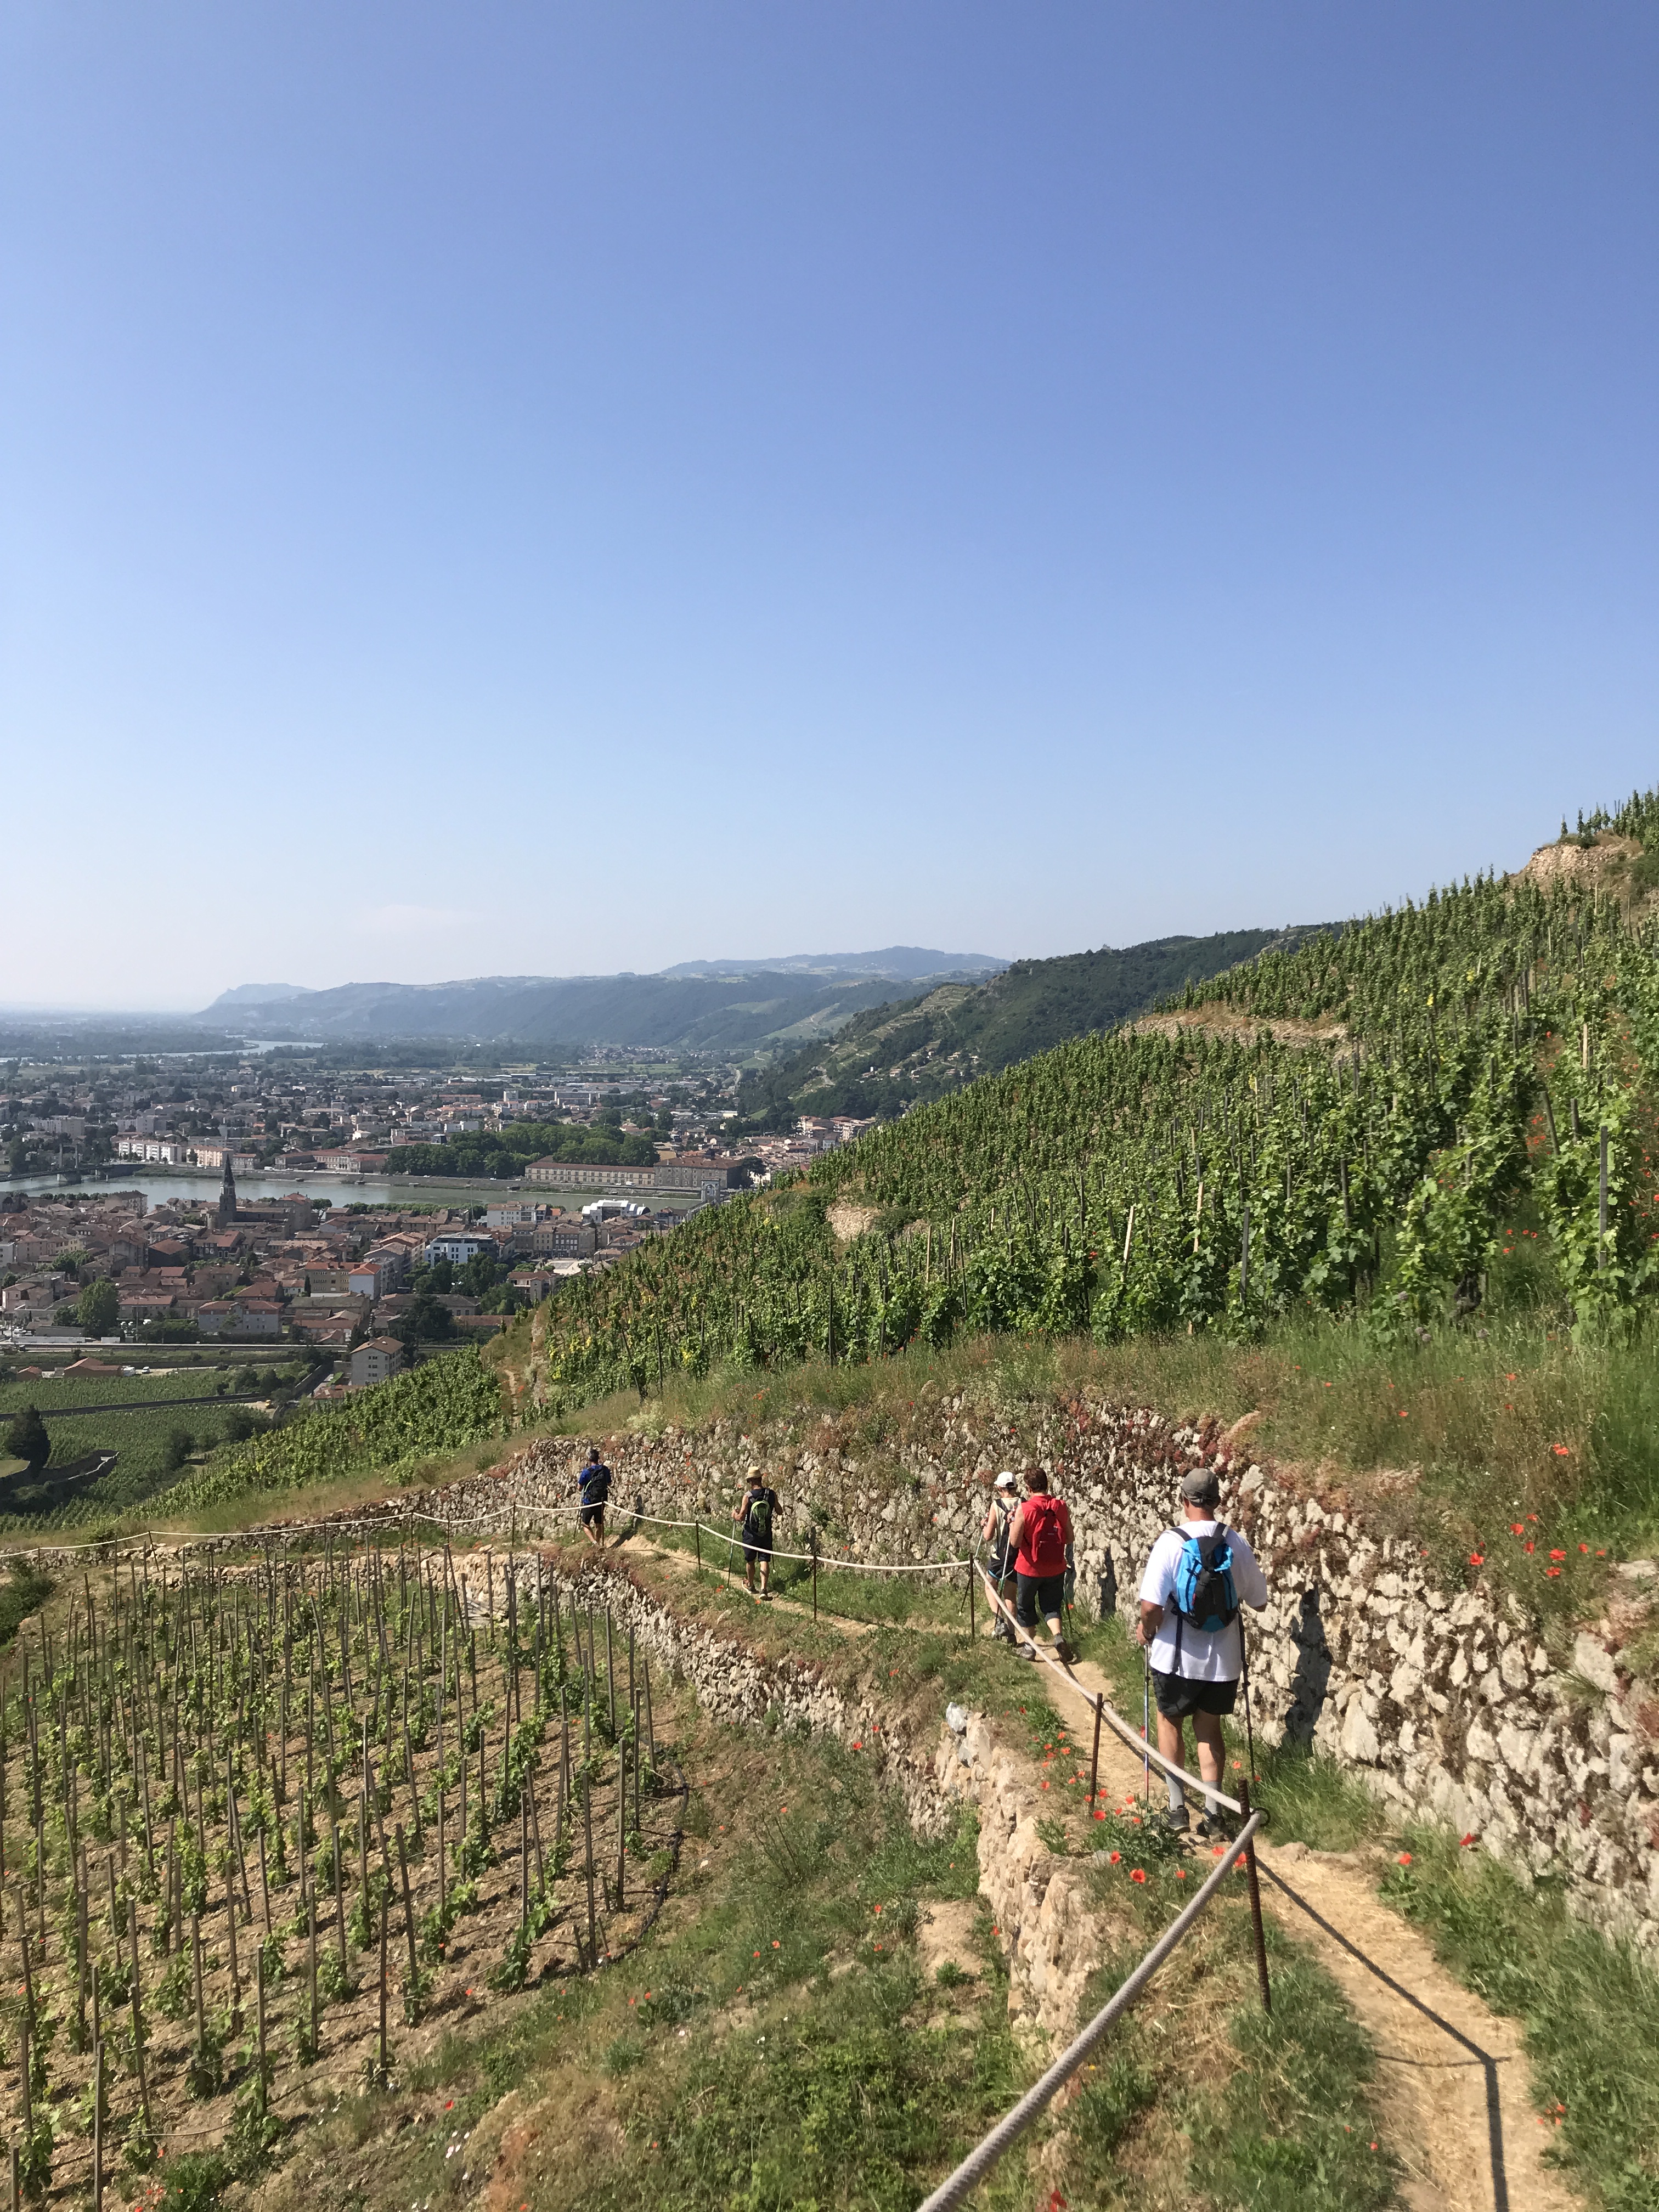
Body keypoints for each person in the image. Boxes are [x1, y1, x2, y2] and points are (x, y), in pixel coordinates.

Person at [1135, 1466, 1268, 1838]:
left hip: (1175, 1656)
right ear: (1218, 1502)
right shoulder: (1235, 1543)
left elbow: (1150, 1606)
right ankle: (1214, 1816)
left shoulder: (1171, 1542)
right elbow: (1259, 1601)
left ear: (1184, 1501)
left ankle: (1177, 1810)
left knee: (1170, 1723)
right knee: (1209, 1730)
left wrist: (1147, 1631)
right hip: (1223, 1661)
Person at [1005, 1469, 1075, 1663]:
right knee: (1052, 1607)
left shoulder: (1025, 1509)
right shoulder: (1059, 1506)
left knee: (1025, 1607)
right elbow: (1070, 1538)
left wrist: (1012, 1523)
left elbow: (1015, 1542)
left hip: (1029, 1569)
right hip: (1056, 1567)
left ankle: (1030, 1647)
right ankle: (1058, 1637)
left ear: (1029, 1488)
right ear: (1047, 1484)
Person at [981, 1470, 1020, 1641]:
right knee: (1011, 1594)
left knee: (990, 1586)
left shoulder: (997, 1505)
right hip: (1018, 1556)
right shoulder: (1023, 1503)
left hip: (1001, 1556)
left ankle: (1000, 1623)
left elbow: (988, 1536)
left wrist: (984, 1525)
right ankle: (1012, 1635)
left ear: (999, 1488)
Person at [732, 1469, 780, 1598]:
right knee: (764, 1560)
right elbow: (780, 1511)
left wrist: (734, 1515)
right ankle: (764, 1589)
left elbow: (741, 1517)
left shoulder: (748, 1497)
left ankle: (751, 1585)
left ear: (750, 1481)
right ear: (760, 1479)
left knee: (750, 1560)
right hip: (766, 1533)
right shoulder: (771, 1494)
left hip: (750, 1534)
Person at [577, 1444, 612, 1548]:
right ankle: (598, 1542)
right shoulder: (605, 1470)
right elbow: (609, 1483)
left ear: (589, 1459)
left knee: (584, 1524)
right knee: (599, 1524)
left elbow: (579, 1488)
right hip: (601, 1501)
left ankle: (594, 1543)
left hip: (589, 1502)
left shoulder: (586, 1472)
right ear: (598, 1458)